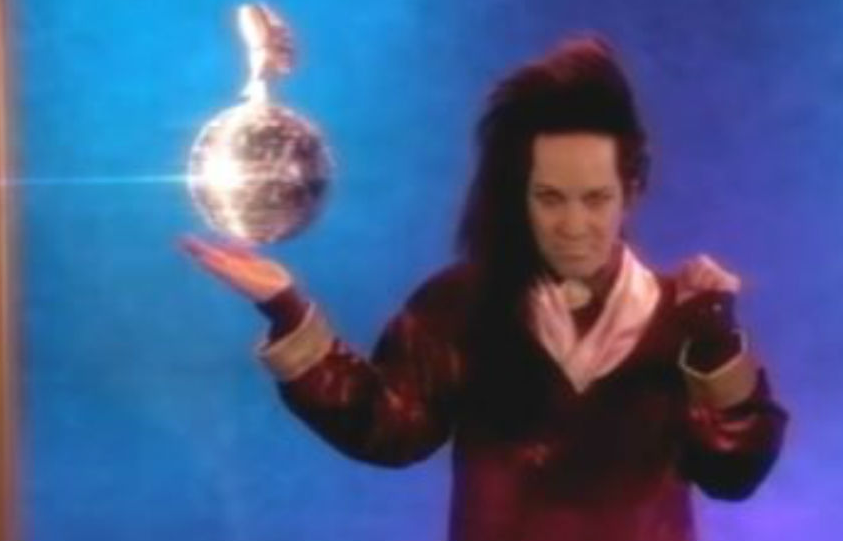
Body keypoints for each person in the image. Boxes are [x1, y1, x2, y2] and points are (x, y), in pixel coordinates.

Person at [181, 36, 788, 541]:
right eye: (549, 198)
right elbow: (386, 426)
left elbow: (735, 473)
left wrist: (714, 345)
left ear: (633, 187)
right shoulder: (460, 307)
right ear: (518, 194)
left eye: (595, 199)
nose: (573, 225)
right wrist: (287, 308)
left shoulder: (684, 320)